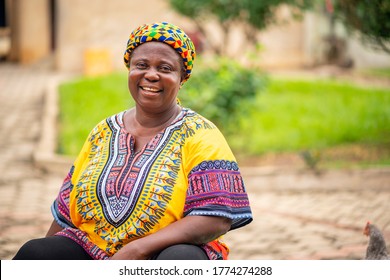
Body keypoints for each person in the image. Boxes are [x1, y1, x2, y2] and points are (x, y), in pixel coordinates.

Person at [13, 22, 253, 260]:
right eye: (141, 65)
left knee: (180, 260)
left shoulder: (201, 135)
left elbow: (216, 218)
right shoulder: (103, 131)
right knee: (35, 252)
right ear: (129, 70)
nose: (151, 74)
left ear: (182, 78)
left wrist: (138, 249)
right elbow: (66, 209)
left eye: (165, 68)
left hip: (166, 253)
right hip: (95, 251)